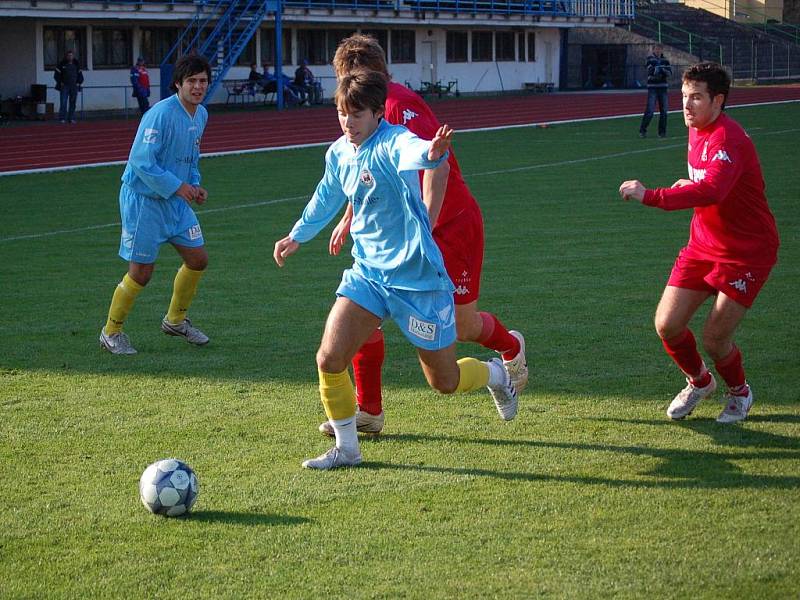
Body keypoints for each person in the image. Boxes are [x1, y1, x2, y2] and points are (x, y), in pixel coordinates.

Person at [273, 70, 519, 470]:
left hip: (417, 280)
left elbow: (413, 150)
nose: (348, 124)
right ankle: (348, 449)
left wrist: (432, 152)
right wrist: (296, 236)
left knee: (444, 382)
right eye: (341, 114)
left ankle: (496, 375)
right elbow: (325, 196)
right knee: (329, 358)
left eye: (356, 115)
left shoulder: (391, 142)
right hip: (368, 275)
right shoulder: (339, 152)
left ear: (376, 114)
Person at [318, 33, 527, 437]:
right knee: (362, 314)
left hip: (450, 228)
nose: (348, 100)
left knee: (463, 329)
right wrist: (350, 213)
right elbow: (367, 171)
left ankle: (509, 351)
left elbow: (434, 162)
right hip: (394, 240)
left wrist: (425, 229)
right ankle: (369, 411)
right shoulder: (366, 116)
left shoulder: (399, 103)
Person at [619, 62, 779, 423]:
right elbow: (708, 185)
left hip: (746, 253)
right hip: (703, 246)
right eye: (684, 97)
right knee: (667, 325)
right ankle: (699, 382)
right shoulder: (696, 129)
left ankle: (740, 394)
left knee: (714, 338)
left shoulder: (728, 138)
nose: (686, 107)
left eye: (696, 98)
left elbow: (714, 188)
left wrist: (651, 195)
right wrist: (685, 185)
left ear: (718, 100)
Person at [99, 54, 213, 355]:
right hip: (145, 202)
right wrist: (179, 187)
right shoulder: (159, 114)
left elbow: (190, 157)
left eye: (203, 81)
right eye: (192, 81)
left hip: (175, 202)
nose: (198, 87)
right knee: (141, 273)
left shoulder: (200, 114)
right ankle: (111, 332)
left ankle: (175, 321)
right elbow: (140, 162)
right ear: (178, 83)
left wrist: (194, 184)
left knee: (198, 259)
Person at [639, 45, 672, 138]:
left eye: (660, 49)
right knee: (650, 110)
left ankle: (662, 132)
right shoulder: (649, 59)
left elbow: (669, 73)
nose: (658, 51)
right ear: (653, 50)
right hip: (653, 87)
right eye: (656, 49)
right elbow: (650, 71)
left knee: (664, 111)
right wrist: (661, 70)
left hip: (663, 87)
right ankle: (643, 130)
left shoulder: (665, 60)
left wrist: (659, 69)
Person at [54, 50, 83, 124]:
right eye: (69, 55)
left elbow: (80, 75)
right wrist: (60, 82)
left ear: (73, 56)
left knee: (73, 103)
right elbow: (56, 75)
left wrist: (79, 82)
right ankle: (62, 118)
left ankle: (71, 118)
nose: (70, 57)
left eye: (71, 55)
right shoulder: (62, 64)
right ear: (66, 56)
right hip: (65, 86)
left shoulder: (76, 64)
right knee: (63, 102)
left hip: (74, 86)